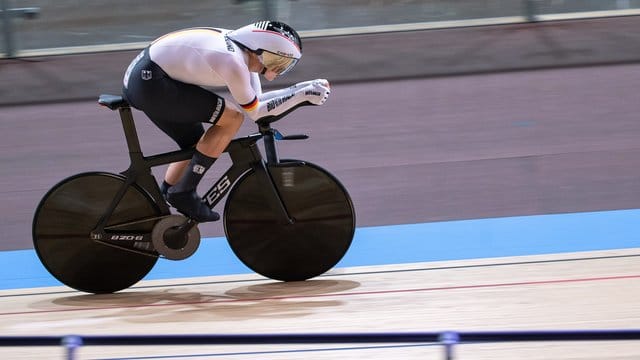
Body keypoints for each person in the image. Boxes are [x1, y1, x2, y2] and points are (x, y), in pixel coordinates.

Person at [122, 21, 331, 222]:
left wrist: (301, 89)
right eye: (279, 62)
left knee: (197, 143)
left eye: (286, 66)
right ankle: (183, 191)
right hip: (151, 82)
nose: (279, 70)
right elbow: (257, 113)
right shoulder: (233, 62)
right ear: (261, 52)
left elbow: (259, 102)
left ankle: (166, 193)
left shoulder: (244, 50)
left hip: (147, 79)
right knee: (232, 118)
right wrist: (302, 95)